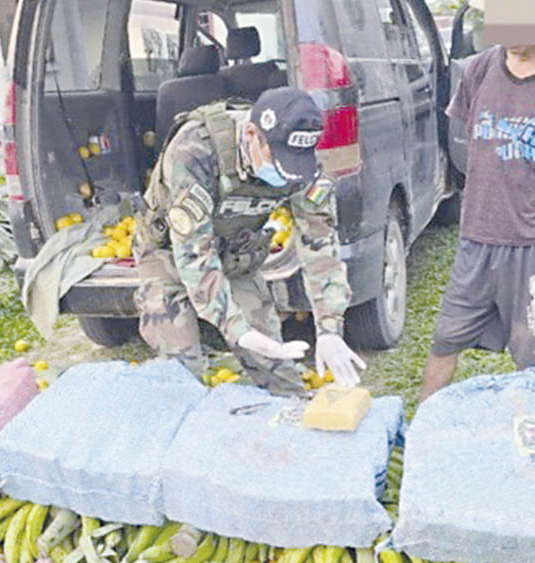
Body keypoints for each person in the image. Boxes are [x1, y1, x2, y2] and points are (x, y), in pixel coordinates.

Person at [418, 0, 535, 403]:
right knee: (445, 340)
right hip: (477, 237)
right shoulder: (479, 69)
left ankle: (534, 435)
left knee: (532, 353)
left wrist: (534, 194)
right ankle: (421, 429)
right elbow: (471, 144)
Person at [133, 87, 366, 395]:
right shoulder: (194, 151)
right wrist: (235, 328)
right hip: (168, 254)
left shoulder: (302, 163)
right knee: (181, 371)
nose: (285, 177)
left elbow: (320, 246)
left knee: (277, 370)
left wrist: (329, 328)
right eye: (277, 162)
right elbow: (193, 255)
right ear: (253, 134)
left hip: (235, 252)